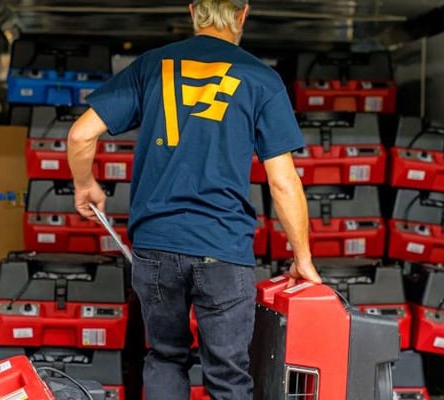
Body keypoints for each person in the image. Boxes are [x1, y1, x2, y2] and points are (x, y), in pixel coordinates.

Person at [67, 0, 321, 398]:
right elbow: (283, 181)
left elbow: (80, 135)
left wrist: (85, 185)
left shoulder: (153, 65)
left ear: (193, 11)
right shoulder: (260, 78)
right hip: (223, 248)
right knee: (228, 375)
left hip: (156, 245)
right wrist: (302, 257)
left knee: (166, 358)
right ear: (242, 14)